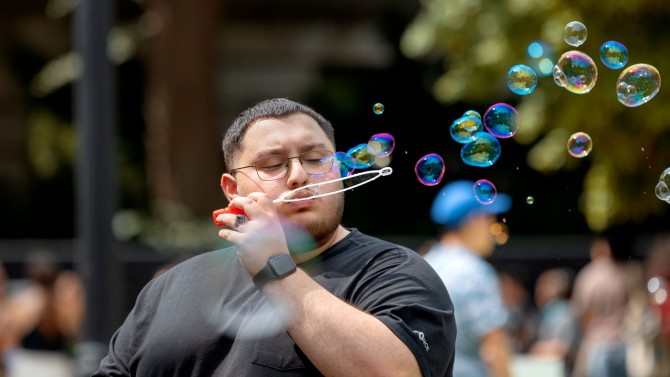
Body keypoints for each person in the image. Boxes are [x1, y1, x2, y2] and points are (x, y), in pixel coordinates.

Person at [93, 98, 456, 376]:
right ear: (232, 189)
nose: (298, 175)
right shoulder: (171, 286)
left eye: (316, 160)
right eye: (272, 165)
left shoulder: (394, 273)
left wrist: (275, 268)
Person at [422, 180, 513, 377]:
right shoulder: (475, 272)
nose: (493, 228)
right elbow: (493, 348)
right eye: (490, 219)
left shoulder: (425, 264)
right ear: (474, 220)